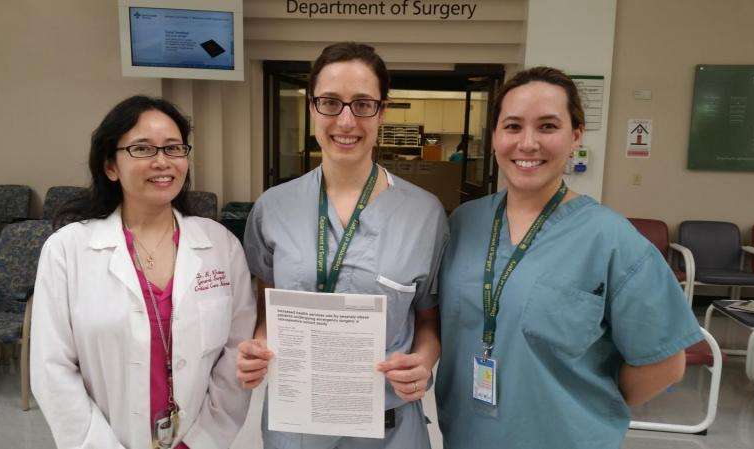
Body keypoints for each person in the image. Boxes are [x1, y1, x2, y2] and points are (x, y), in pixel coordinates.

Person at [434, 67, 703, 449]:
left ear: (575, 135)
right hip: (465, 435)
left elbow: (665, 363)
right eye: (512, 126)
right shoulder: (466, 222)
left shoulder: (611, 239)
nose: (527, 143)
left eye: (547, 126)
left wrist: (584, 409)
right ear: (494, 136)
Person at [237, 42, 449, 449]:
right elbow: (266, 308)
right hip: (296, 423)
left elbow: (428, 321)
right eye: (330, 103)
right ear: (312, 108)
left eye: (363, 104)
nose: (346, 120)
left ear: (382, 111)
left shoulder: (425, 214)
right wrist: (258, 345)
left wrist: (423, 361)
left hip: (388, 427)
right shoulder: (273, 207)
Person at [31, 96, 256, 449]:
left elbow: (236, 352)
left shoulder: (220, 245)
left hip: (202, 440)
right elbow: (52, 368)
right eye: (142, 149)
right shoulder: (67, 250)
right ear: (110, 166)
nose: (162, 162)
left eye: (173, 148)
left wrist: (203, 440)